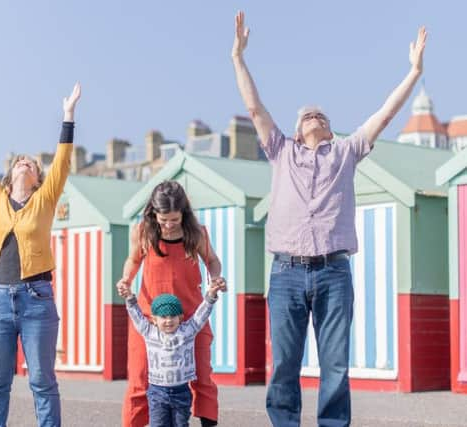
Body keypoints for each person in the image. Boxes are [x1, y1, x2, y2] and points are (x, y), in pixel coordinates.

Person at [231, 10, 427, 427]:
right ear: (297, 131)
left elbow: (385, 115)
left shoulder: (346, 153)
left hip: (334, 273)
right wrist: (238, 58)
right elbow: (253, 106)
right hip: (285, 273)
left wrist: (413, 73)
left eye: (321, 115)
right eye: (306, 116)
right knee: (284, 363)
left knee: (335, 365)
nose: (314, 116)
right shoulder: (281, 152)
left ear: (331, 129)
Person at [0, 82, 81, 427]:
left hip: (36, 300)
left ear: (39, 177)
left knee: (42, 382)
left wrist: (68, 115)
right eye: (20, 162)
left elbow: (63, 160)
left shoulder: (45, 199)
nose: (25, 164)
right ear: (11, 172)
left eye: (31, 164)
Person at [117, 180, 227, 427]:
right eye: (163, 219)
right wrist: (126, 279)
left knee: (203, 379)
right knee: (138, 380)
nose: (167, 225)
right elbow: (132, 261)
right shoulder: (143, 231)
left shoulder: (197, 233)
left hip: (191, 319)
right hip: (148, 320)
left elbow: (212, 261)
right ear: (153, 213)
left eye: (174, 220)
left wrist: (216, 277)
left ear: (184, 214)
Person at [117, 280, 224, 427]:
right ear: (154, 319)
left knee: (181, 424)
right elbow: (136, 315)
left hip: (181, 391)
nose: (168, 321)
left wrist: (211, 295)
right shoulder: (149, 332)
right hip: (157, 392)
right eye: (163, 317)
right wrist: (129, 297)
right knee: (158, 424)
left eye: (173, 316)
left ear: (180, 318)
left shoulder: (187, 331)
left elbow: (201, 315)